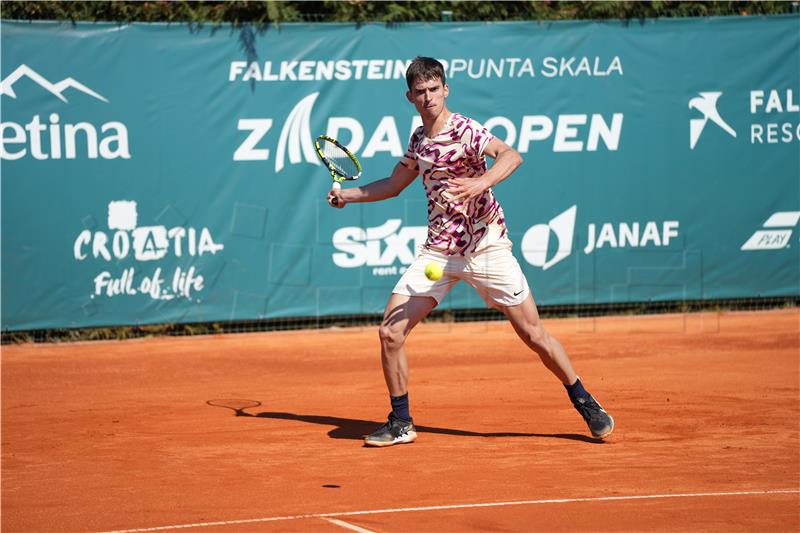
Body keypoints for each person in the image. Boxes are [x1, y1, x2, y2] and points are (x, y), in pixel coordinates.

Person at [327, 56, 614, 447]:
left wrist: (480, 183)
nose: (428, 97)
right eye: (420, 92)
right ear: (409, 96)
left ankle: (583, 399)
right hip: (439, 252)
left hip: (487, 246)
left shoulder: (465, 130)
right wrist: (347, 196)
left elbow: (511, 155)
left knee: (532, 334)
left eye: (434, 89)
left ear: (445, 89)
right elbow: (394, 185)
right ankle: (401, 421)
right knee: (390, 332)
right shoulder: (418, 140)